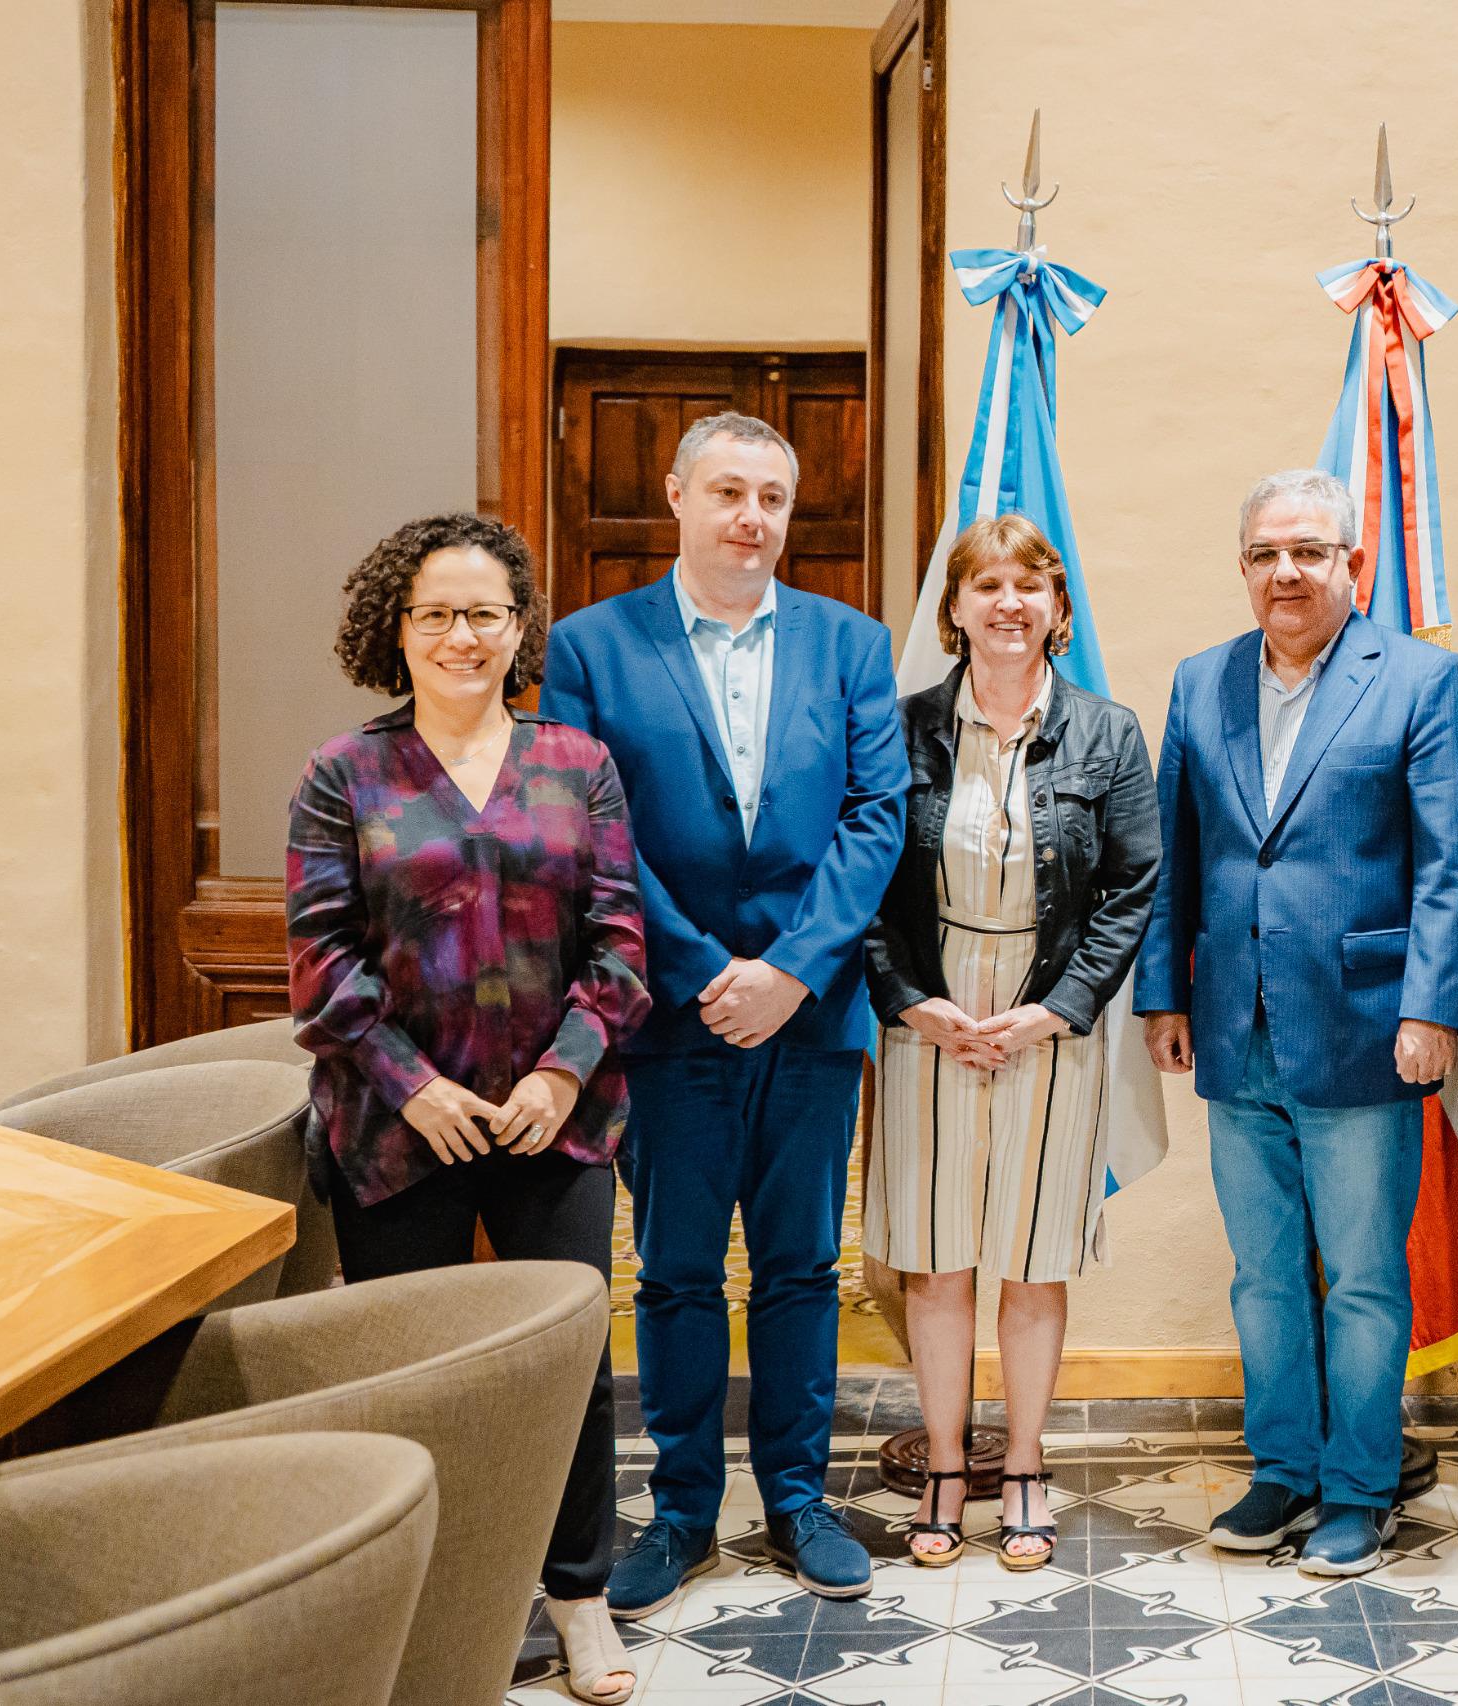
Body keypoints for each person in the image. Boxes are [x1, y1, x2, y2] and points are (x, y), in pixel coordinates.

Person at [539, 412, 909, 1616]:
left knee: (805, 1267)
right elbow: (597, 829)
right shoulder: (592, 647)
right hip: (669, 1014)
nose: (751, 517)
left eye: (771, 497)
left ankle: (798, 1497)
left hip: (812, 1013)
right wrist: (708, 969)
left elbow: (874, 817)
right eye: (728, 492)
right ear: (677, 497)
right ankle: (685, 1507)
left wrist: (795, 968)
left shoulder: (853, 644)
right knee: (680, 1271)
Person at [287, 512, 650, 1705]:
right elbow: (320, 962)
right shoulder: (343, 772)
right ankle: (431, 1601)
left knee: (569, 1365)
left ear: (517, 626)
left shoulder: (578, 763)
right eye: (435, 612)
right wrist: (417, 1086)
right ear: (395, 627)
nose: (461, 634)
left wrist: (560, 1073)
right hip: (398, 1131)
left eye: (484, 612)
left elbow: (620, 943)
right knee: (414, 1370)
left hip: (559, 1117)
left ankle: (580, 1599)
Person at [1136, 468, 1458, 1578]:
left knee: (1367, 1274)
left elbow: (1455, 861)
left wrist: (1433, 1005)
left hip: (1368, 1028)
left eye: (1307, 550)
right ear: (1243, 568)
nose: (1284, 571)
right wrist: (1164, 992)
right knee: (1264, 1272)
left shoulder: (1424, 682)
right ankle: (1281, 1467)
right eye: (1263, 554)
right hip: (1233, 1031)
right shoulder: (1201, 683)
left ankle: (1358, 1486)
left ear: (1353, 563)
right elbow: (1172, 855)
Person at [861, 513, 1159, 1572]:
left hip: (1049, 1020)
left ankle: (1024, 1461)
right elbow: (864, 882)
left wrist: (1058, 1006)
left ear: (1057, 608)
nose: (1007, 604)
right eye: (984, 585)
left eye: (1028, 585)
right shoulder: (897, 729)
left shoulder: (1108, 732)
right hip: (927, 1023)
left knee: (1033, 1262)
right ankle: (946, 1463)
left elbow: (1132, 888)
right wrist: (907, 999)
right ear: (954, 609)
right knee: (937, 1261)